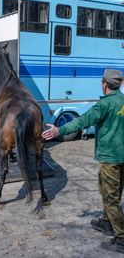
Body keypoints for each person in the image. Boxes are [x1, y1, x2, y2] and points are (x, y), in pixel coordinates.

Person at [42, 69, 124, 254]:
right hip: (121, 156)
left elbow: (84, 121)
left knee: (110, 196)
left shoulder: (105, 104)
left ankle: (121, 238)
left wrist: (59, 131)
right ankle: (106, 222)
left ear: (104, 83)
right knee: (114, 191)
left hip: (110, 158)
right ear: (120, 84)